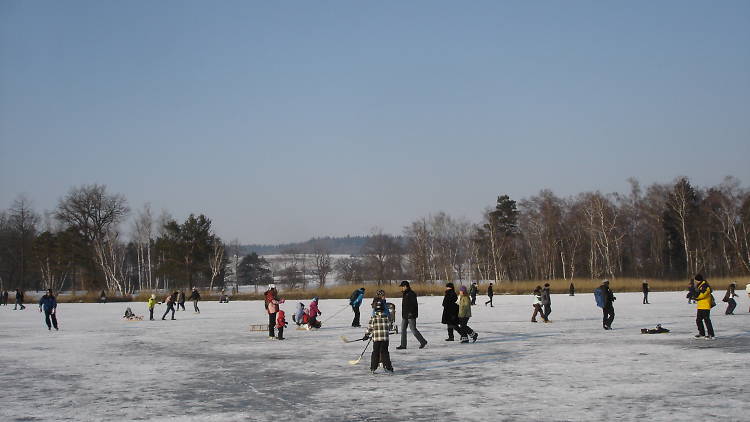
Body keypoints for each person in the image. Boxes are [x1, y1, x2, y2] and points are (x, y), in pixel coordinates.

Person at [396, 281, 427, 350]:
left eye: (402, 287)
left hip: (411, 315)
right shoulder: (405, 293)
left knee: (413, 329)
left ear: (406, 286)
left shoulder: (411, 294)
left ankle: (423, 341)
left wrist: (411, 313)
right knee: (403, 329)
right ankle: (403, 345)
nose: (401, 288)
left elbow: (414, 305)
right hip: (405, 315)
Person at [366, 300, 394, 374]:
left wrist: (366, 335)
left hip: (376, 339)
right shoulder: (386, 317)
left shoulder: (374, 318)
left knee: (375, 353)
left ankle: (373, 367)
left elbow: (370, 328)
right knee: (385, 353)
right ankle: (388, 367)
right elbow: (390, 326)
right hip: (385, 339)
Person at [693, 274, 715, 339]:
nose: (695, 281)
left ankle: (711, 334)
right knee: (698, 320)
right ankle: (702, 333)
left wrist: (696, 298)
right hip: (700, 306)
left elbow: (703, 295)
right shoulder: (699, 286)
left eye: (696, 280)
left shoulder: (705, 286)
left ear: (698, 280)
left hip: (705, 306)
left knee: (707, 320)